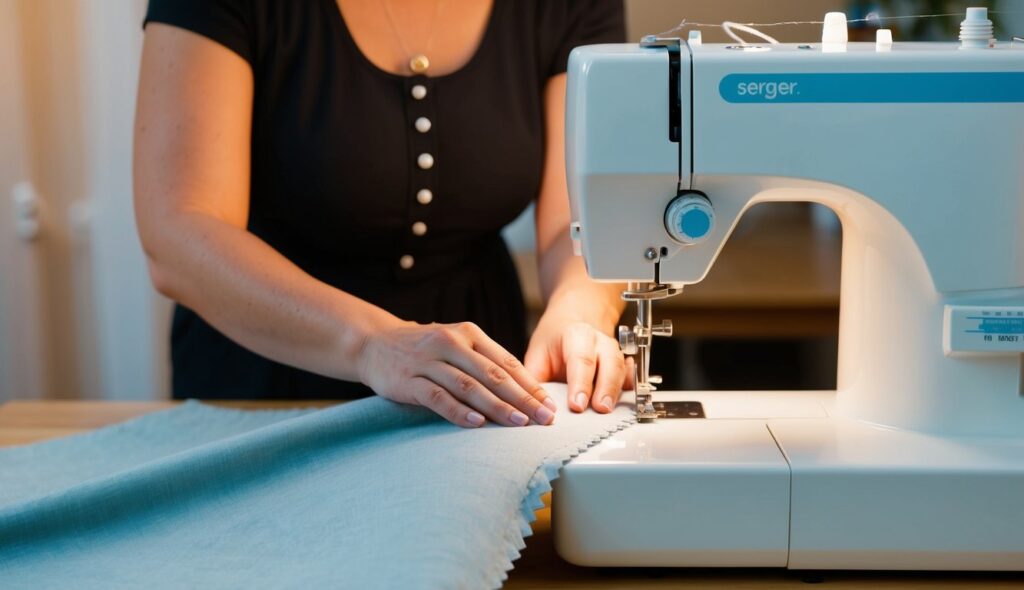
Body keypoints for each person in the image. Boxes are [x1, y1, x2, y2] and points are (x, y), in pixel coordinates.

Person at [134, 0, 629, 428]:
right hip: (266, 376)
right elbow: (180, 227)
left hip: (475, 392)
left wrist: (579, 311)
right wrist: (372, 342)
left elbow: (581, 219)